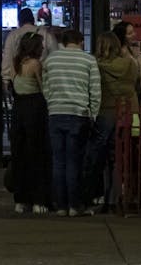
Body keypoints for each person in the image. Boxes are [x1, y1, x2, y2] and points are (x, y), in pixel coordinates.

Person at [42, 29, 100, 216]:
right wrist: (93, 113)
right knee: (75, 161)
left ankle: (61, 206)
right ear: (80, 41)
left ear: (64, 42)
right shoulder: (89, 60)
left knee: (59, 162)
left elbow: (46, 88)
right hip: (79, 114)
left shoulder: (51, 60)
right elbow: (95, 91)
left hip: (56, 113)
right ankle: (75, 206)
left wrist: (52, 103)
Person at [82, 31, 139, 212]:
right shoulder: (130, 64)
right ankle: (118, 197)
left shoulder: (96, 65)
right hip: (127, 113)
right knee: (120, 158)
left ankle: (97, 197)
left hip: (106, 112)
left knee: (98, 158)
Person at [8, 32, 51, 214]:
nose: (43, 49)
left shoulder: (15, 65)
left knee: (20, 155)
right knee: (37, 154)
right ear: (35, 48)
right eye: (41, 46)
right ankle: (38, 199)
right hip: (35, 110)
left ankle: (20, 199)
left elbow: (11, 87)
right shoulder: (35, 64)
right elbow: (44, 89)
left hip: (18, 111)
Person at [1, 7, 38, 90]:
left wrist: (6, 79)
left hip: (19, 82)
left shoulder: (13, 35)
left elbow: (7, 58)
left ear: (19, 21)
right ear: (33, 19)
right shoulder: (45, 34)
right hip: (40, 81)